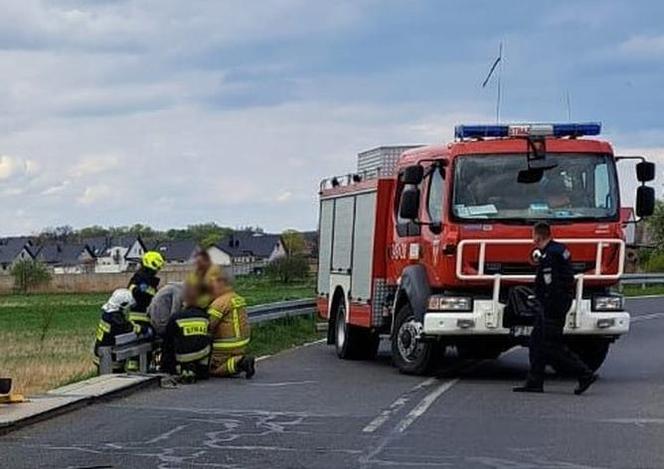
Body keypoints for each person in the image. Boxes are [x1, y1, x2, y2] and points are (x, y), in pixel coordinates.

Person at [514, 222, 597, 395]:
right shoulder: (559, 249)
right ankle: (534, 381)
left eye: (533, 236)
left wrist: (543, 302)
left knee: (551, 345)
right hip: (558, 301)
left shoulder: (549, 255)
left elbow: (550, 283)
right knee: (536, 342)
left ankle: (584, 373)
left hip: (553, 305)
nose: (532, 239)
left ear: (538, 236)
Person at [206, 266, 256, 378]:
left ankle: (240, 363)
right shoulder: (237, 298)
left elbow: (208, 326)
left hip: (224, 346)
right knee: (226, 362)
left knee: (209, 368)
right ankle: (239, 360)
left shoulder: (219, 303)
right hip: (241, 343)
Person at [161, 281, 211, 383]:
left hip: (182, 357)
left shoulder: (176, 317)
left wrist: (167, 368)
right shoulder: (205, 318)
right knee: (208, 341)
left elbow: (167, 343)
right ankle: (202, 370)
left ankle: (183, 369)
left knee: (170, 343)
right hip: (201, 355)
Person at [93, 288, 139, 372]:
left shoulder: (107, 313)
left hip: (100, 352)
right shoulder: (116, 319)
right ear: (123, 304)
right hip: (110, 359)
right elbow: (129, 328)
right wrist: (139, 328)